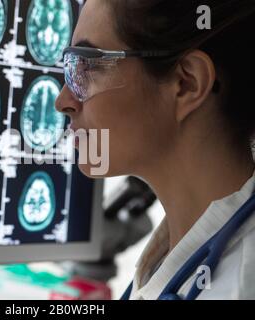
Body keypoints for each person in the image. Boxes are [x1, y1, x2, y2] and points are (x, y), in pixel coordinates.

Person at [55, 0, 255, 300]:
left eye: (87, 67)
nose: (64, 101)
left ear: (186, 83)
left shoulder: (238, 286)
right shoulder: (188, 251)